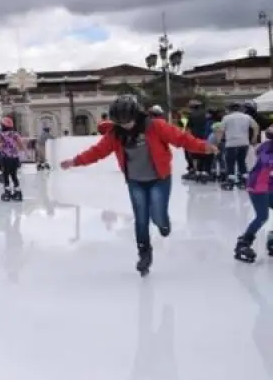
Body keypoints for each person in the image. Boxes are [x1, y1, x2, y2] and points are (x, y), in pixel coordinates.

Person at [60, 94, 215, 276]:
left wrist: (203, 147)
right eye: (121, 122)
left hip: (159, 178)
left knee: (157, 214)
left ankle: (163, 223)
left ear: (136, 115)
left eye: (128, 121)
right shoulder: (115, 134)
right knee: (141, 218)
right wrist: (75, 161)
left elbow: (181, 138)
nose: (125, 126)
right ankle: (144, 253)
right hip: (135, 181)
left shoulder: (156, 126)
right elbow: (98, 152)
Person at [234, 126, 273, 263]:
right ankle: (244, 242)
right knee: (262, 216)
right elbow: (265, 160)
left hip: (269, 186)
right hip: (258, 187)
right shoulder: (267, 148)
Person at [220, 102, 259, 188]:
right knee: (241, 161)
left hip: (231, 143)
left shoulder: (226, 118)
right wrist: (254, 138)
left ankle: (231, 180)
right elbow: (256, 126)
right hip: (244, 142)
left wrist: (219, 140)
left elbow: (221, 130)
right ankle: (244, 180)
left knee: (230, 162)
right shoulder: (247, 117)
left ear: (230, 109)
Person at [0, 116, 25, 201]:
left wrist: (1, 147)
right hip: (15, 158)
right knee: (14, 175)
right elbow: (21, 145)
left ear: (3, 125)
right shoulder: (15, 134)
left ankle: (7, 192)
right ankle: (18, 192)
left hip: (6, 158)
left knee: (5, 175)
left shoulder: (0, 134)